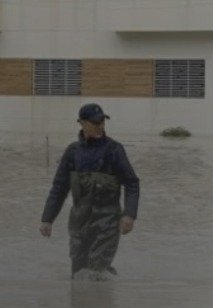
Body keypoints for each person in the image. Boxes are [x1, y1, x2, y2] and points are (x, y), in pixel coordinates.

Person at [39, 103, 140, 281]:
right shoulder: (72, 152)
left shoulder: (114, 150)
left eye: (102, 121)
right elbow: (59, 188)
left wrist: (129, 215)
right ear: (82, 123)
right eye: (95, 122)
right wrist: (47, 219)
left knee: (96, 271)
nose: (100, 126)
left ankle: (104, 293)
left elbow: (132, 183)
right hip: (79, 223)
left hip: (108, 222)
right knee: (78, 273)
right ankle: (100, 294)